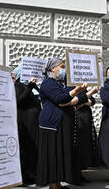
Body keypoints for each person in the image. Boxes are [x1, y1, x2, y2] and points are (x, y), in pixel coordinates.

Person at [36, 57, 87, 189]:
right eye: (62, 66)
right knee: (53, 154)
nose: (64, 69)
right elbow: (59, 98)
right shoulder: (48, 83)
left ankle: (58, 183)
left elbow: (75, 97)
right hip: (51, 124)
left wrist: (79, 90)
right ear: (53, 68)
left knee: (60, 154)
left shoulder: (60, 84)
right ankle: (53, 184)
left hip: (61, 123)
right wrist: (75, 91)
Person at [13, 64, 40, 186]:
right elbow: (19, 100)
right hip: (25, 122)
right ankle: (25, 176)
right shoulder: (18, 85)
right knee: (25, 149)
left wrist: (34, 86)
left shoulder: (29, 86)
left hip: (34, 122)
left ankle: (33, 174)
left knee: (33, 149)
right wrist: (28, 87)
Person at [75, 86, 100, 182]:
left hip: (86, 119)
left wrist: (84, 101)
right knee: (78, 145)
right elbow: (76, 103)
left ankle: (81, 172)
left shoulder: (84, 90)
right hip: (78, 119)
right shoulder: (71, 89)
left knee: (85, 145)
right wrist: (85, 101)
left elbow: (92, 101)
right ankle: (77, 174)